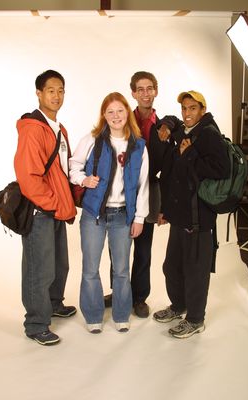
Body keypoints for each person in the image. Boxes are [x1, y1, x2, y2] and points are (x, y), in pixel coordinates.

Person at [69, 92, 149, 334]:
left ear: (127, 113)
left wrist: (139, 218)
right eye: (110, 112)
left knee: (122, 270)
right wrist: (84, 180)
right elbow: (73, 166)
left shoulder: (138, 145)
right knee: (90, 268)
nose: (116, 116)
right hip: (94, 215)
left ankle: (121, 315)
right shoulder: (92, 140)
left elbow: (143, 184)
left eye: (120, 111)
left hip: (123, 216)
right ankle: (93, 317)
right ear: (104, 115)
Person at [153, 91, 230, 338]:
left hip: (199, 219)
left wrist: (190, 156)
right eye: (185, 108)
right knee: (171, 266)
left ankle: (196, 319)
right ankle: (178, 306)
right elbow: (171, 121)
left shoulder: (208, 135)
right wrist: (166, 124)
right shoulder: (188, 131)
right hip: (180, 216)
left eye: (192, 108)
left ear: (202, 110)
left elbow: (222, 169)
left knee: (196, 271)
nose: (187, 113)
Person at [14, 70, 77, 346]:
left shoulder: (59, 129)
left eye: (61, 90)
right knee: (39, 270)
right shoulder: (32, 128)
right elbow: (28, 176)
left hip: (56, 210)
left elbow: (63, 170)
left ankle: (53, 304)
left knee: (59, 265)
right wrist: (51, 204)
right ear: (39, 93)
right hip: (41, 211)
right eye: (51, 90)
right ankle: (36, 324)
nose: (57, 96)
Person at [104, 71, 173, 318]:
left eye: (149, 88)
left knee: (144, 249)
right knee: (118, 248)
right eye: (140, 89)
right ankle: (119, 291)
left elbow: (168, 170)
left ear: (156, 91)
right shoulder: (121, 118)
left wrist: (164, 205)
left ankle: (139, 297)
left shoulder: (164, 126)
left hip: (149, 191)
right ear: (133, 93)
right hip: (121, 193)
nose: (145, 93)